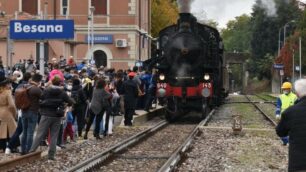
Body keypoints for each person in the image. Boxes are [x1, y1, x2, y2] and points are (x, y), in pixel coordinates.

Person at [29, 76, 74, 160]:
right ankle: (51, 156)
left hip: (46, 115)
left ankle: (31, 152)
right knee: (54, 136)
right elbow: (71, 102)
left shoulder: (47, 90)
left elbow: (41, 98)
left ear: (52, 82)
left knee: (40, 134)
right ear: (60, 83)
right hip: (57, 116)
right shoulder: (62, 92)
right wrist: (64, 106)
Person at [276, 79, 306, 172]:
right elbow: (278, 106)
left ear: (297, 94)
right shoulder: (281, 97)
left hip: (299, 163)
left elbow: (280, 132)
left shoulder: (290, 112)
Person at [20, 73, 43, 155]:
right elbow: (43, 98)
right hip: (33, 112)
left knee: (24, 131)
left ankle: (22, 149)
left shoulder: (24, 86)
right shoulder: (36, 89)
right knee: (30, 132)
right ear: (39, 81)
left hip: (23, 111)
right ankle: (29, 150)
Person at [0, 75, 17, 152]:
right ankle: (12, 146)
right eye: (9, 84)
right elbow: (12, 105)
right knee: (12, 130)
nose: (10, 85)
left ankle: (2, 147)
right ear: (6, 85)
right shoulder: (7, 92)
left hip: (0, 111)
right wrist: (14, 113)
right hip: (7, 112)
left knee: (2, 130)